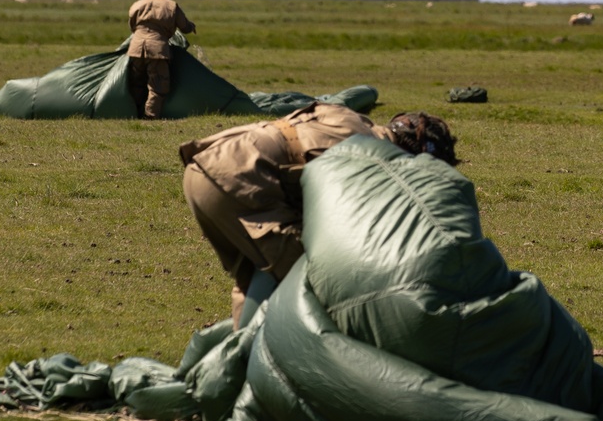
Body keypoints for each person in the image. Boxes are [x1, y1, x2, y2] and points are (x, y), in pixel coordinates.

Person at [180, 103, 457, 327]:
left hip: (204, 166)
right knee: (311, 273)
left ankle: (231, 366)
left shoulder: (350, 118)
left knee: (256, 276)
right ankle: (243, 366)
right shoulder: (377, 161)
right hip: (237, 182)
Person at [127, 0, 196, 119]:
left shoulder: (137, 4)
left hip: (135, 48)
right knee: (158, 85)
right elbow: (184, 27)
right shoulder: (171, 6)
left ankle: (135, 113)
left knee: (136, 83)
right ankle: (150, 116)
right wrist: (191, 26)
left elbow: (132, 27)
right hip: (158, 49)